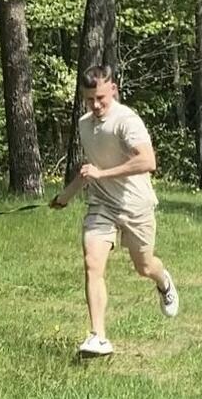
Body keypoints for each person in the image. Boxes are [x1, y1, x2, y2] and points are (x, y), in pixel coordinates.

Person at [50, 65, 178, 356]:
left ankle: (163, 281)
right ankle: (99, 336)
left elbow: (147, 161)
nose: (95, 105)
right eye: (89, 100)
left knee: (144, 267)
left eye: (101, 98)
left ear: (114, 90)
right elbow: (89, 170)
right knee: (92, 263)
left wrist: (103, 174)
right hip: (102, 205)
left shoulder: (126, 120)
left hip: (136, 206)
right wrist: (65, 196)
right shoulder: (84, 124)